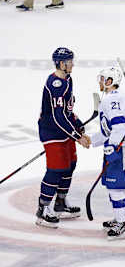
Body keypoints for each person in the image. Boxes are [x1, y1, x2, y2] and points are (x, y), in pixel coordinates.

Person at [36, 47, 90, 228]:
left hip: (63, 130)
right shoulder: (55, 84)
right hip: (52, 131)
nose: (72, 64)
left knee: (70, 165)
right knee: (56, 169)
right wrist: (77, 136)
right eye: (69, 61)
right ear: (61, 63)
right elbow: (58, 117)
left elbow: (67, 111)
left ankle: (60, 202)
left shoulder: (68, 79)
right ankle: (43, 209)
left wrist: (77, 122)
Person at [88, 67, 125, 240]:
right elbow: (108, 130)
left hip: (123, 147)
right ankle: (119, 218)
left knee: (116, 186)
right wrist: (91, 140)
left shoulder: (114, 98)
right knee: (113, 185)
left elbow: (119, 125)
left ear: (110, 81)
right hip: (118, 145)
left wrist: (112, 147)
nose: (100, 81)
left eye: (103, 78)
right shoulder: (110, 98)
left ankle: (123, 224)